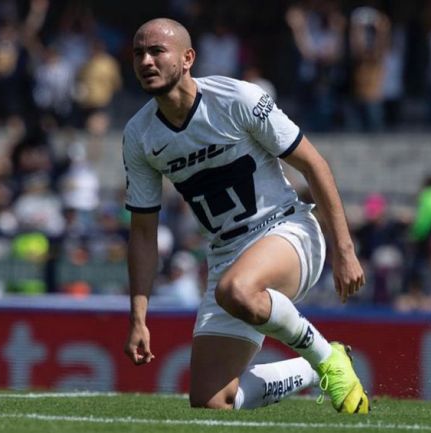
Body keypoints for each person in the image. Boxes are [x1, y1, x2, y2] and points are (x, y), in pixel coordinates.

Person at [122, 18, 368, 414]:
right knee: (212, 401)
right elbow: (143, 232)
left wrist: (344, 249)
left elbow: (314, 165)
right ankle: (317, 364)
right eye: (138, 53)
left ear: (187, 59)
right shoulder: (139, 135)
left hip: (288, 231)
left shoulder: (236, 98)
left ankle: (327, 360)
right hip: (226, 258)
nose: (146, 61)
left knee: (236, 290)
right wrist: (138, 317)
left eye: (156, 51)